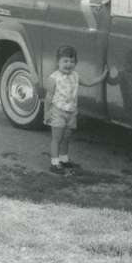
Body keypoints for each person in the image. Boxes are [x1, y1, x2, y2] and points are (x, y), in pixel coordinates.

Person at [43, 45, 107, 175]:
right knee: (57, 138)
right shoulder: (53, 78)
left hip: (71, 112)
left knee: (66, 137)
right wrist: (46, 112)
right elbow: (48, 98)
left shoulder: (75, 76)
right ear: (58, 62)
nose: (68, 64)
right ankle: (54, 163)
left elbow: (89, 82)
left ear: (76, 63)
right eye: (65, 61)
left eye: (72, 61)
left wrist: (103, 75)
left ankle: (64, 159)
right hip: (57, 111)